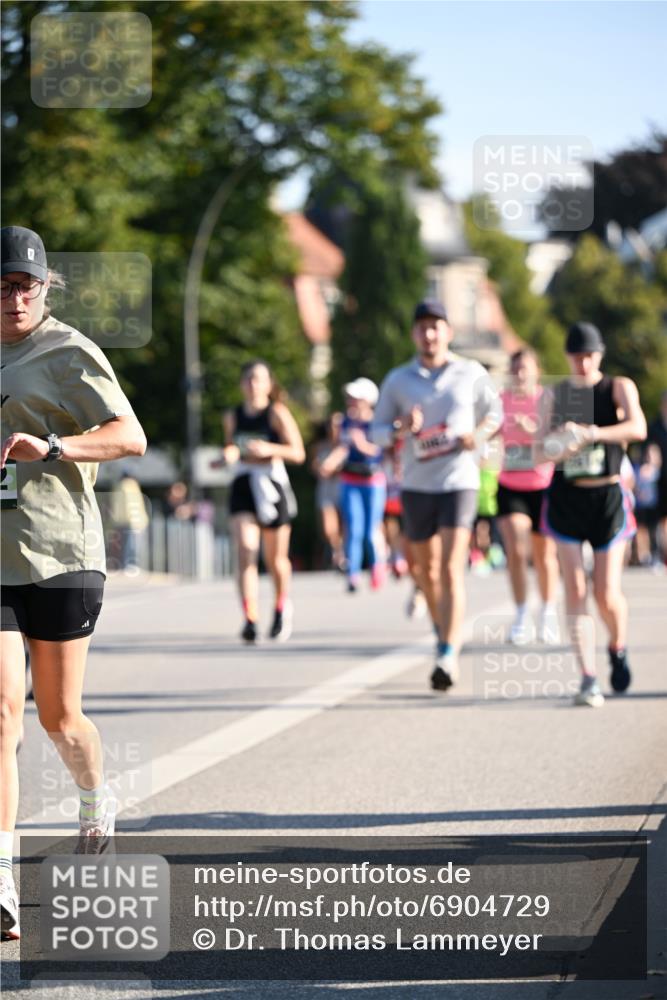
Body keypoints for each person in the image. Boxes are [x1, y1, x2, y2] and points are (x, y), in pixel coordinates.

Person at [1, 226, 147, 939]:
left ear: (45, 286)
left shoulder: (67, 351)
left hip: (59, 553)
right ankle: (0, 876)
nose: (14, 298)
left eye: (25, 285)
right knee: (1, 713)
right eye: (1, 286)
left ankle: (95, 795)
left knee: (59, 719)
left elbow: (130, 436)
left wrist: (53, 446)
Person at [371, 300, 502, 690]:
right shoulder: (397, 380)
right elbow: (376, 432)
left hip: (459, 480)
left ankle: (447, 651)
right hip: (417, 484)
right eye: (422, 327)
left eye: (436, 327)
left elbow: (496, 415)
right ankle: (440, 625)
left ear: (449, 332)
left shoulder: (470, 372)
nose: (429, 334)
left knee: (449, 568)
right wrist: (399, 428)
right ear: (414, 334)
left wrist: (475, 437)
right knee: (424, 572)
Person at [538, 322, 646, 708]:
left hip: (608, 498)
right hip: (567, 499)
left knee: (605, 591)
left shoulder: (617, 387)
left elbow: (638, 427)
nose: (583, 363)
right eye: (576, 356)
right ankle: (587, 677)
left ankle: (617, 646)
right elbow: (539, 452)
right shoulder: (555, 394)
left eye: (590, 356)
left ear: (600, 355)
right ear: (567, 357)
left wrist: (593, 434)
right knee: (576, 590)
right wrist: (563, 443)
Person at [218, 360, 305, 643]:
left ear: (269, 384)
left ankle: (281, 607)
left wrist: (270, 448)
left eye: (259, 379)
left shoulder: (276, 413)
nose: (253, 385)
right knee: (245, 550)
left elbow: (298, 452)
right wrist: (228, 455)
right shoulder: (233, 416)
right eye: (248, 379)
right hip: (244, 483)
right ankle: (250, 617)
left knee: (275, 558)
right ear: (242, 385)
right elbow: (231, 445)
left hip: (271, 485)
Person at [498, 348, 559, 644]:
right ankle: (521, 613)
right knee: (516, 550)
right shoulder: (500, 401)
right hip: (510, 484)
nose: (520, 374)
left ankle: (547, 612)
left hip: (543, 485)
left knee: (544, 555)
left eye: (525, 368)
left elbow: (558, 441)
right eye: (515, 369)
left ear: (536, 371)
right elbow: (487, 431)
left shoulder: (546, 400)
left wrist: (533, 430)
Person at [319, 378, 387, 593]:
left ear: (367, 400)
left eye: (355, 398)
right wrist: (329, 463)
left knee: (370, 531)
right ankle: (353, 574)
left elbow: (381, 452)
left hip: (372, 481)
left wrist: (363, 446)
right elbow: (342, 448)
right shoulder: (345, 422)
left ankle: (377, 567)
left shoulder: (376, 422)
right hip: (350, 480)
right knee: (353, 529)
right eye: (350, 398)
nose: (351, 401)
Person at [310, 418, 345, 572]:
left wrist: (335, 470)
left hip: (344, 488)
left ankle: (344, 554)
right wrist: (322, 469)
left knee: (345, 525)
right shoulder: (320, 446)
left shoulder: (347, 445)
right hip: (326, 490)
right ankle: (336, 552)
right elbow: (314, 467)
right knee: (328, 526)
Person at [647, 390, 667, 564]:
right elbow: (649, 448)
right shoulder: (655, 426)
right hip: (658, 479)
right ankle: (655, 554)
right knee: (654, 519)